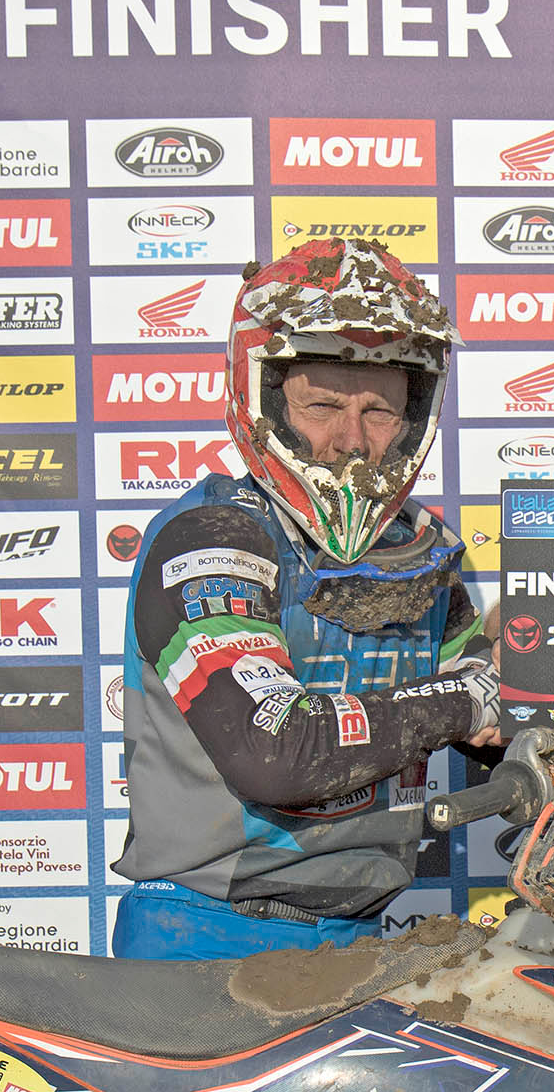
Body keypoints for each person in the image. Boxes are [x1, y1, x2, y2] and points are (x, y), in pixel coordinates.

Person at [111, 237, 500, 962]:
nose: (351, 440)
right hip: (207, 932)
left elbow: (494, 706)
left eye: (380, 411)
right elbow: (275, 750)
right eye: (322, 405)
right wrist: (464, 701)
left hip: (360, 936)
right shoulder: (215, 537)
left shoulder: (420, 547)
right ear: (263, 398)